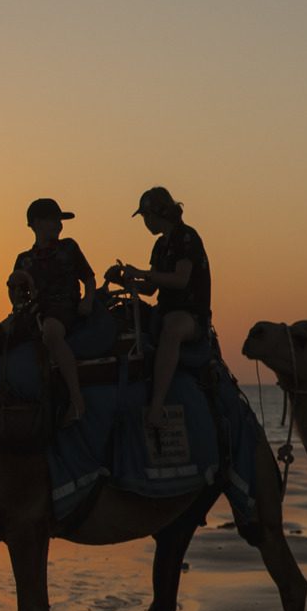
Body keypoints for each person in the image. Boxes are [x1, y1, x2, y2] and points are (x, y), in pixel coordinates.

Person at [107, 186, 211, 446]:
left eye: (146, 217)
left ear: (157, 214)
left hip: (190, 315)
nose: (145, 223)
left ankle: (157, 406)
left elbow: (180, 279)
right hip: (164, 310)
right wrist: (123, 280)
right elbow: (151, 289)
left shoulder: (187, 238)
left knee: (172, 331)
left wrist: (143, 273)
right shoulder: (160, 245)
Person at [15, 196, 96, 425]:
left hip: (64, 308)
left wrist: (88, 301)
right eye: (54, 220)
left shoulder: (69, 247)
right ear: (36, 224)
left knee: (51, 331)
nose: (59, 225)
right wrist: (14, 283)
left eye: (60, 221)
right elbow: (17, 300)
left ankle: (76, 399)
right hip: (35, 312)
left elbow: (89, 278)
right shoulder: (24, 260)